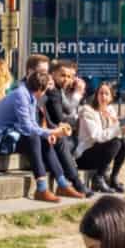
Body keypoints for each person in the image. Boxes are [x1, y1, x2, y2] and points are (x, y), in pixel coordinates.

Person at [0, 65, 80, 203]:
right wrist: (53, 131)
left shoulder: (30, 96)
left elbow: (33, 125)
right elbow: (28, 128)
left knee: (42, 139)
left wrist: (48, 134)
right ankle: (41, 188)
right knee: (34, 137)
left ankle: (62, 184)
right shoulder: (21, 95)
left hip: (12, 135)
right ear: (41, 89)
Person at [74, 81, 125, 194]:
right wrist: (120, 129)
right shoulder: (88, 111)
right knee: (116, 143)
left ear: (111, 97)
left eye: (106, 94)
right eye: (101, 93)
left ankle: (113, 178)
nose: (103, 96)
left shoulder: (110, 110)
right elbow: (97, 136)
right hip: (84, 155)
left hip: (99, 153)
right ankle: (98, 178)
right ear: (96, 95)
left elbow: (117, 135)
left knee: (124, 142)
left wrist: (114, 122)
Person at [42, 63, 88, 194]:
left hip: (54, 131)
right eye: (63, 75)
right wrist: (75, 120)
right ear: (53, 74)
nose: (67, 79)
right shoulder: (53, 91)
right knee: (65, 141)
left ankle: (73, 180)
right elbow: (59, 118)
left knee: (73, 141)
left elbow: (67, 109)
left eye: (69, 76)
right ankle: (76, 182)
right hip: (48, 132)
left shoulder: (58, 90)